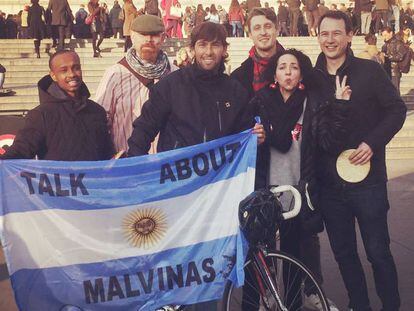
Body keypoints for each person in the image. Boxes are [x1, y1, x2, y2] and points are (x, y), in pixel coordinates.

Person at [315, 10, 406, 311]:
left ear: (349, 35)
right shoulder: (313, 78)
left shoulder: (370, 70)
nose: (330, 40)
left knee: (378, 252)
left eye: (336, 33)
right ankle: (359, 304)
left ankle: (391, 305)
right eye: (324, 33)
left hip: (368, 182)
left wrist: (372, 142)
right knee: (343, 254)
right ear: (318, 37)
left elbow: (396, 110)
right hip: (330, 185)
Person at [251, 48, 342, 311]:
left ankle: (295, 299)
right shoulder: (261, 101)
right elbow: (242, 135)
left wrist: (340, 106)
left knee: (295, 248)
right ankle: (268, 295)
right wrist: (254, 136)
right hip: (267, 185)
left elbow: (327, 141)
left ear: (301, 72)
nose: (288, 72)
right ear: (274, 74)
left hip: (299, 187)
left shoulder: (310, 102)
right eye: (282, 67)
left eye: (293, 67)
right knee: (266, 246)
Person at [127, 21, 264, 157]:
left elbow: (244, 133)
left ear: (224, 50)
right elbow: (144, 129)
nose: (209, 52)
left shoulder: (235, 91)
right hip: (178, 174)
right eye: (202, 45)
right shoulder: (170, 85)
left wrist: (255, 137)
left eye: (215, 45)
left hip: (219, 176)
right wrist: (136, 169)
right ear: (192, 50)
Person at [0, 50, 113, 161]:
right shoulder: (40, 115)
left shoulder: (97, 111)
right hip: (57, 179)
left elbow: (107, 153)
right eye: (64, 70)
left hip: (94, 178)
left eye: (76, 68)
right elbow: (21, 151)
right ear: (53, 76)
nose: (72, 74)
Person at [95, 14, 176, 154]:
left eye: (154, 35)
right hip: (128, 162)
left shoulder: (175, 74)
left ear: (163, 38)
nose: (148, 40)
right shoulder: (115, 74)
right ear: (132, 36)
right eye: (143, 34)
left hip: (165, 164)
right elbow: (100, 121)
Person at [381, 26, 406, 94]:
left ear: (391, 33)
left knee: (395, 90)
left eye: (385, 35)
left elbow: (400, 56)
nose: (384, 37)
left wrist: (388, 57)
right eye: (383, 35)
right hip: (386, 69)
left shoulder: (398, 43)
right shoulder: (385, 44)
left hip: (394, 70)